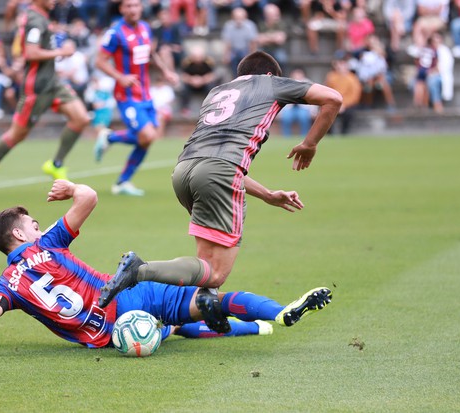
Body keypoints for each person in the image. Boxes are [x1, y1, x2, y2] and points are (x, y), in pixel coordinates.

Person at [0, 179, 332, 358]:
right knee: (208, 301)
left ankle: (255, 326)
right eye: (32, 224)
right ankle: (273, 314)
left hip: (108, 335)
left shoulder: (8, 283)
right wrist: (72, 188)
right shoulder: (48, 244)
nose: (38, 226)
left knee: (179, 328)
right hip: (128, 296)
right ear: (21, 236)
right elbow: (90, 197)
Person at [97, 51, 341, 333]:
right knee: (216, 273)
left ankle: (207, 307)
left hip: (184, 172)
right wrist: (310, 143)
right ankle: (139, 270)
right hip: (218, 172)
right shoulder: (271, 83)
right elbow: (333, 99)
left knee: (205, 268)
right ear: (270, 74)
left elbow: (223, 169)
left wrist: (267, 194)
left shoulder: (218, 91)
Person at [0, 0, 91, 200]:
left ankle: (56, 164)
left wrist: (59, 45)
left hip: (52, 82)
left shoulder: (42, 16)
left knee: (81, 118)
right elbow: (31, 53)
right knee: (17, 134)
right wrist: (62, 52)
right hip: (36, 88)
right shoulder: (34, 19)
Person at [92, 0, 179, 197]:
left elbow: (150, 53)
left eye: (136, 5)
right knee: (147, 135)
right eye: (128, 6)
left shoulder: (145, 28)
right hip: (127, 95)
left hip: (145, 93)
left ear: (141, 7)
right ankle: (109, 137)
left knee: (147, 140)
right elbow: (99, 61)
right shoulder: (115, 32)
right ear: (122, 8)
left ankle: (122, 181)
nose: (133, 9)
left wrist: (166, 71)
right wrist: (120, 77)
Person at [324, 53, 362, 135]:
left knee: (349, 113)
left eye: (342, 63)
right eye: (338, 63)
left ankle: (344, 132)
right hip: (333, 103)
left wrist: (344, 104)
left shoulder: (352, 78)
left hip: (347, 105)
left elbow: (355, 96)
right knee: (326, 111)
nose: (340, 66)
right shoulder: (331, 77)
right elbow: (327, 92)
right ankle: (328, 133)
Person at [178, 45, 216, 117]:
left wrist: (201, 80)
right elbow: (183, 76)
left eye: (199, 57)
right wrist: (192, 80)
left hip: (204, 84)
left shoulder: (208, 61)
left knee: (211, 88)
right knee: (184, 89)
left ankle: (210, 107)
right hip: (191, 84)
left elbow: (212, 75)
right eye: (195, 57)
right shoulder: (186, 62)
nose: (198, 59)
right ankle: (184, 108)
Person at [279, 68, 318, 137]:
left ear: (303, 75)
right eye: (295, 74)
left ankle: (304, 137)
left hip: (303, 108)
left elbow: (314, 98)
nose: (297, 76)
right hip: (289, 108)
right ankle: (286, 137)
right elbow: (281, 98)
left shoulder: (309, 83)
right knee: (286, 118)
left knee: (303, 118)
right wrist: (280, 113)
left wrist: (313, 112)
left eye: (299, 74)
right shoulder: (287, 83)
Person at [221, 7, 258, 78]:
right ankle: (235, 78)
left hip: (246, 50)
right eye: (236, 17)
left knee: (247, 63)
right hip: (234, 50)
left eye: (240, 17)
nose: (238, 20)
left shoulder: (250, 26)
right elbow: (227, 42)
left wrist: (252, 56)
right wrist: (226, 55)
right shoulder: (228, 26)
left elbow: (252, 43)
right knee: (231, 60)